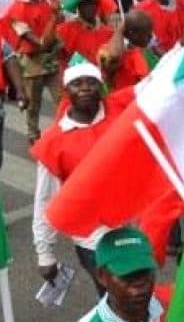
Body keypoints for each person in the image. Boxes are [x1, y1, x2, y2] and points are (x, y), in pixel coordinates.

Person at [32, 56, 127, 282]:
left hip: (131, 229)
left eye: (91, 82)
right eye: (77, 83)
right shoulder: (53, 142)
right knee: (113, 296)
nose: (85, 88)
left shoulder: (120, 114)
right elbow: (45, 198)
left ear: (100, 87)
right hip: (92, 239)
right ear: (67, 91)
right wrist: (45, 253)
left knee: (137, 297)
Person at [2, 0, 62, 143]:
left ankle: (65, 130)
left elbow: (60, 26)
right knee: (33, 103)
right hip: (31, 61)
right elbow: (40, 43)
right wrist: (54, 17)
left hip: (52, 59)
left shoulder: (49, 1)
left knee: (63, 99)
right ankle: (33, 134)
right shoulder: (18, 8)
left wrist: (58, 14)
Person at [99, 9, 156, 90]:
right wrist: (120, 30)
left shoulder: (146, 52)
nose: (151, 37)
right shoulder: (106, 50)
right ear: (132, 34)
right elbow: (113, 56)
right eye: (147, 33)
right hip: (123, 100)